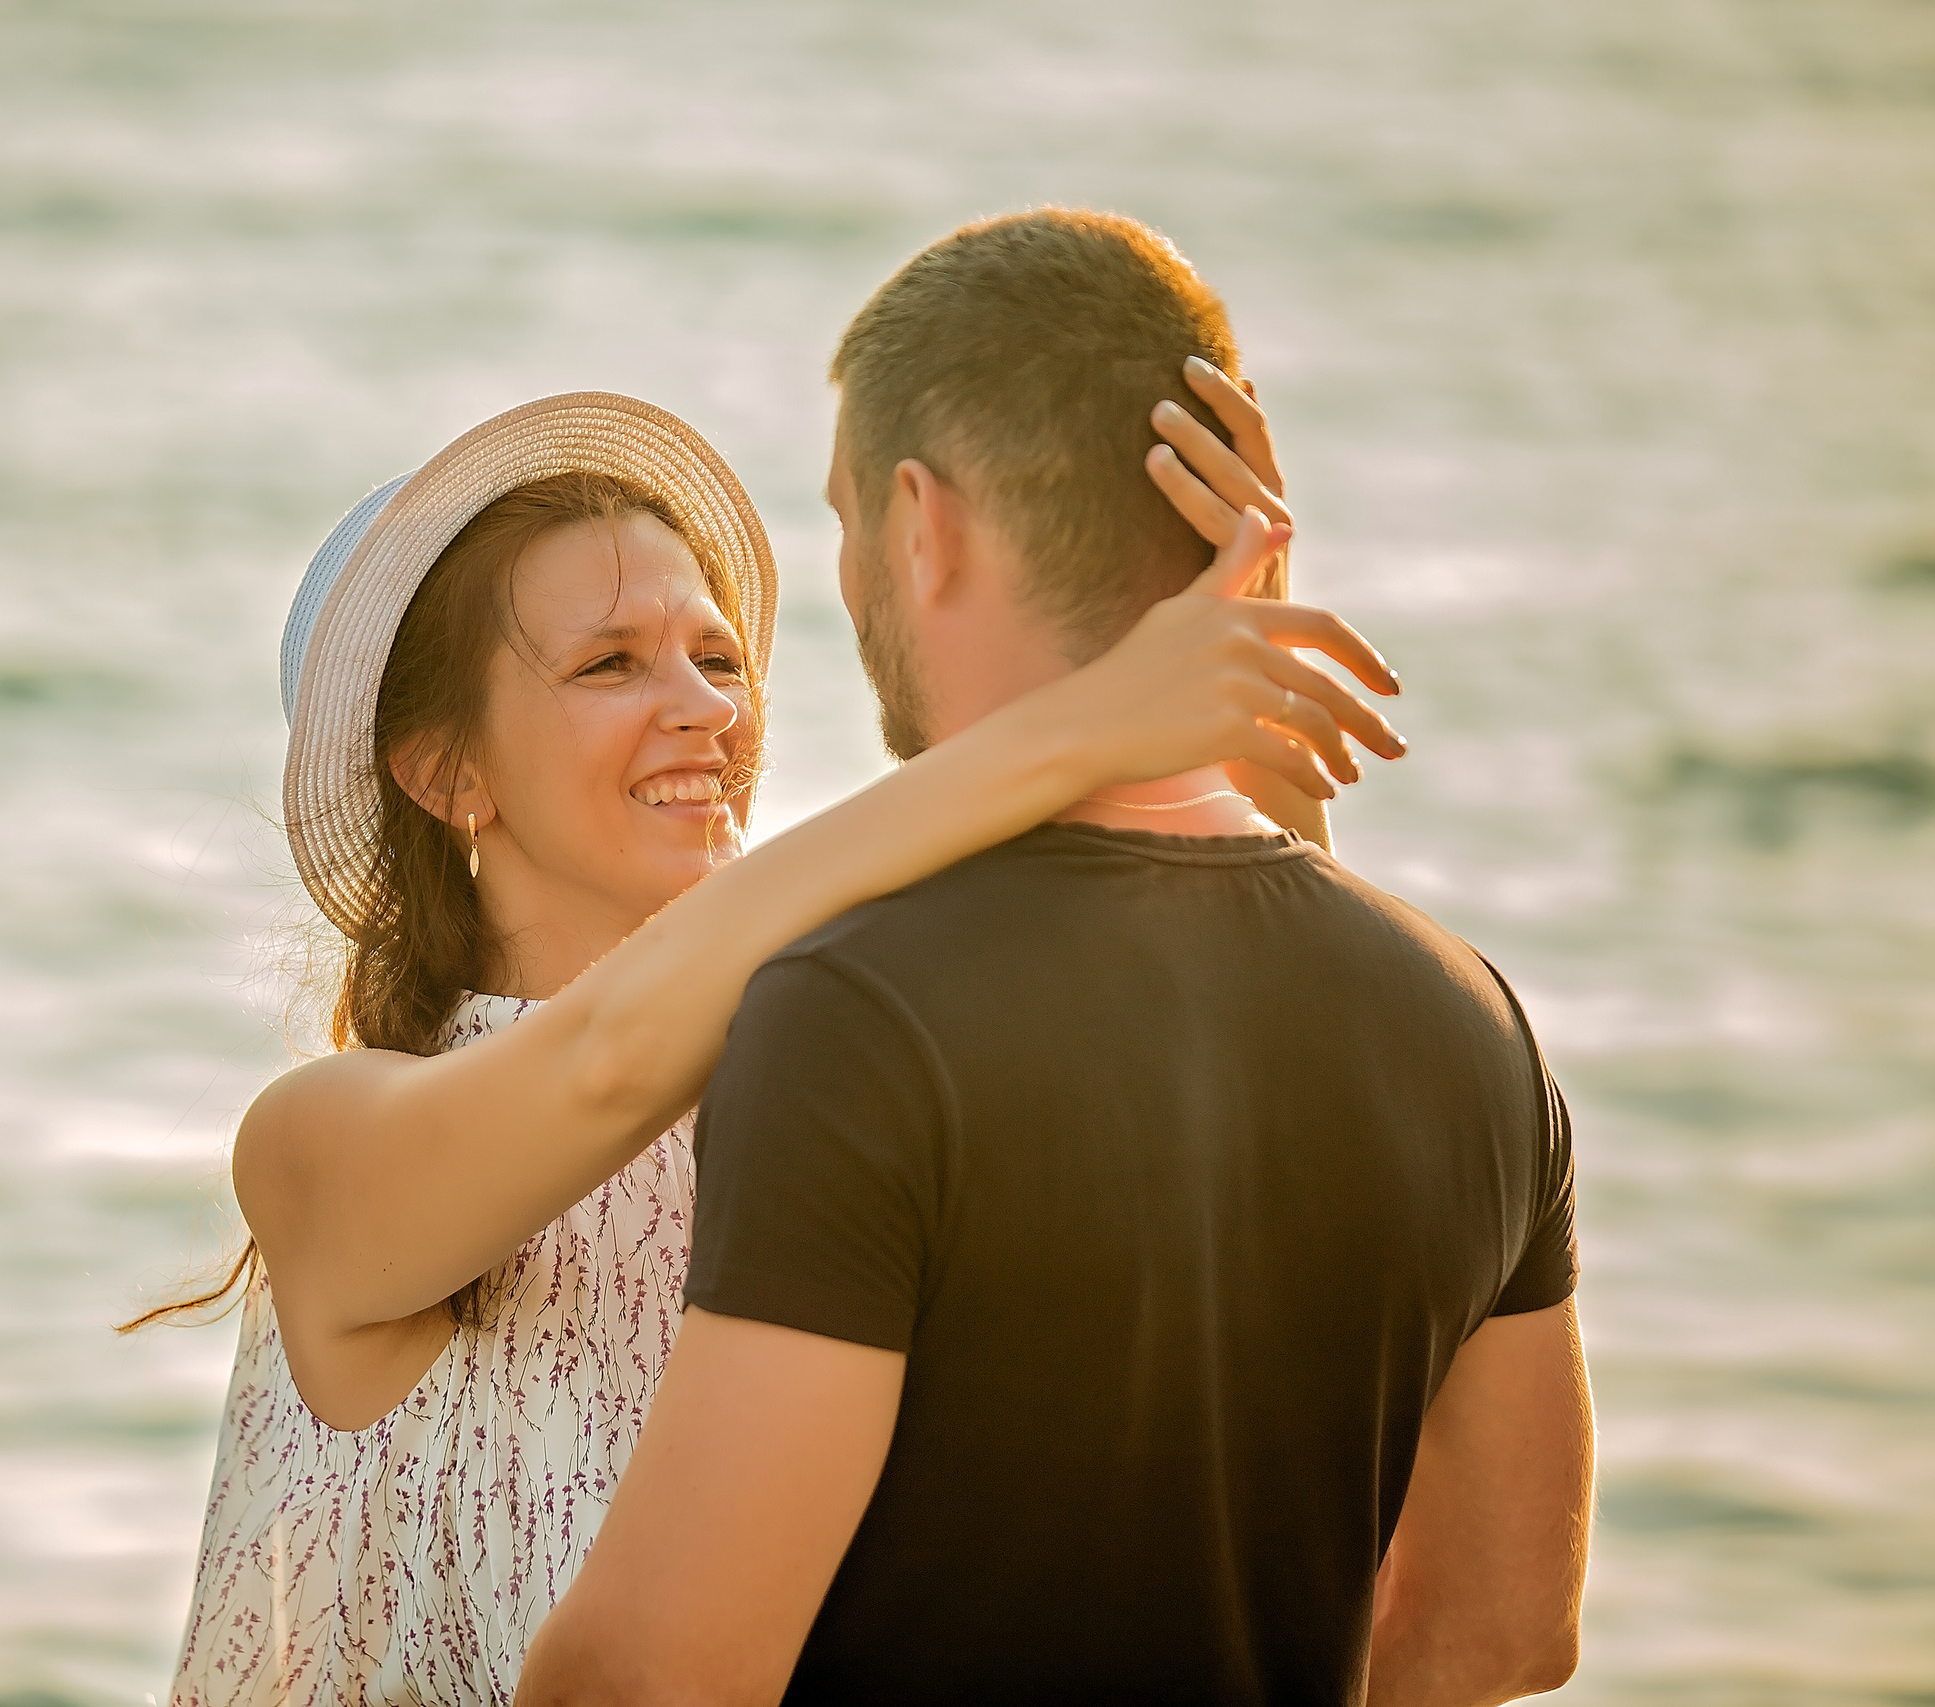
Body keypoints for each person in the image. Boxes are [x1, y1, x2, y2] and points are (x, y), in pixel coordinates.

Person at [153, 383, 1401, 1705]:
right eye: (610, 663)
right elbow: (606, 1061)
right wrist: (1086, 723)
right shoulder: (321, 1146)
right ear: (446, 774)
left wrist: (1238, 702)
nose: (706, 708)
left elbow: (1263, 1164)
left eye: (720, 656)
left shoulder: (858, 1077)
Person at [515, 211, 1592, 1707]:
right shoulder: (1471, 1022)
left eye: (839, 523)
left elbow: (650, 1679)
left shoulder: (858, 1014)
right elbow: (1506, 1627)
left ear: (919, 523)